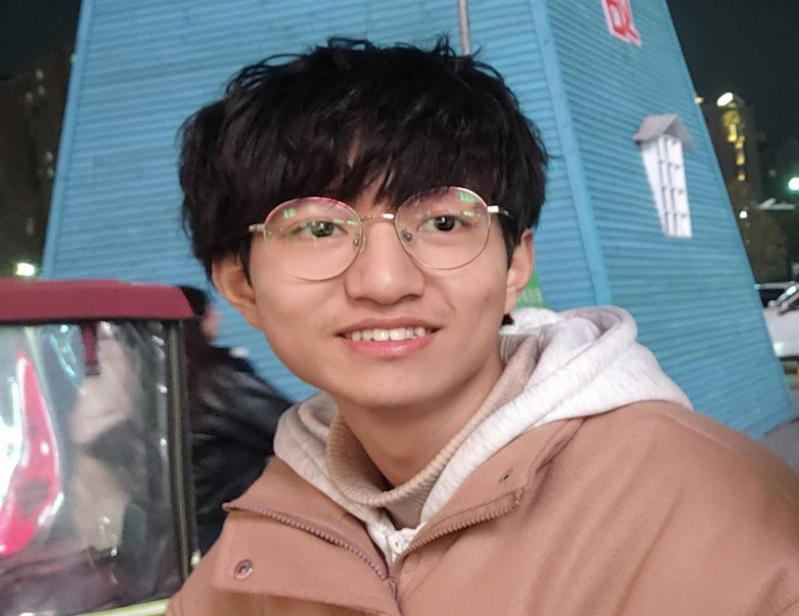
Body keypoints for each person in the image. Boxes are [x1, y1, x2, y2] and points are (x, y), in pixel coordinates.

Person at [168, 39, 799, 615]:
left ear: (516, 264)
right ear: (240, 285)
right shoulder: (259, 541)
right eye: (319, 228)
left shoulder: (727, 519)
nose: (384, 282)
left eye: (443, 223)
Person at [178, 285, 291, 553]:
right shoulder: (216, 378)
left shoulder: (160, 376)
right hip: (223, 524)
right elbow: (290, 428)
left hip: (189, 525)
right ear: (205, 318)